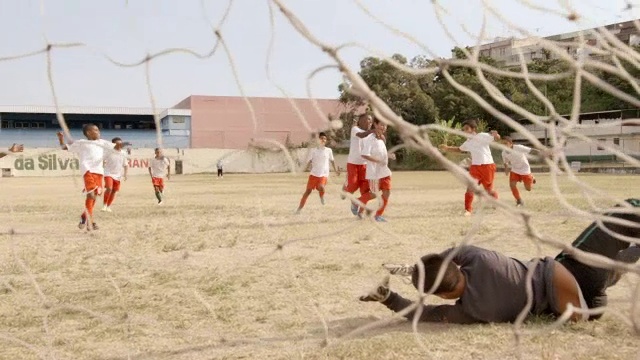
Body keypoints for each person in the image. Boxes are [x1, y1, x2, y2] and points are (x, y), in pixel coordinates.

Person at [360, 198, 640, 324]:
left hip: (587, 309)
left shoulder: (470, 313)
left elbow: (426, 314)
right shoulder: (479, 259)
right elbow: (456, 249)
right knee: (626, 212)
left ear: (443, 296)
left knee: (614, 266)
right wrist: (425, 266)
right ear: (455, 266)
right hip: (572, 272)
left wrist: (390, 299)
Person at [57, 125, 115, 230]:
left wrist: (122, 144)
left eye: (98, 130)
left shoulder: (102, 142)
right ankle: (90, 221)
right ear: (88, 132)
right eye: (96, 130)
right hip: (87, 170)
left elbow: (115, 147)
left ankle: (84, 217)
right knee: (91, 196)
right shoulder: (81, 143)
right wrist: (61, 138)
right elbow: (64, 147)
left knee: (94, 197)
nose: (98, 132)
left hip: (99, 172)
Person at [439, 119, 501, 216]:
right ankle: (468, 210)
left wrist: (496, 135)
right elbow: (459, 149)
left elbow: (496, 138)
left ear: (473, 129)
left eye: (466, 128)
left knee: (489, 190)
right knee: (470, 188)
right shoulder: (468, 142)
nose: (464, 131)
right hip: (475, 167)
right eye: (463, 129)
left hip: (487, 166)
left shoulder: (482, 136)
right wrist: (447, 148)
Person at [359, 118, 395, 222]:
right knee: (374, 194)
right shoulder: (370, 138)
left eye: (385, 125)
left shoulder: (382, 138)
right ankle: (357, 201)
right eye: (381, 125)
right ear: (375, 124)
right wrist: (377, 160)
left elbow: (381, 153)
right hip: (374, 172)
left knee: (387, 192)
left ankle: (378, 215)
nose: (383, 127)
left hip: (384, 170)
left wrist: (389, 155)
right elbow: (365, 154)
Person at [296, 132, 340, 214]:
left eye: (324, 138)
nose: (323, 140)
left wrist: (335, 170)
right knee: (307, 192)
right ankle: (299, 209)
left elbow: (332, 161)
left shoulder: (328, 150)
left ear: (326, 140)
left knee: (321, 187)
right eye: (321, 138)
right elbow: (309, 161)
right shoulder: (314, 151)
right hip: (313, 174)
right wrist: (304, 168)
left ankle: (321, 196)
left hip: (323, 174)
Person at [342, 114, 374, 215]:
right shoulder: (355, 129)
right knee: (353, 186)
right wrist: (374, 130)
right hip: (353, 163)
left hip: (365, 165)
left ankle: (358, 207)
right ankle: (346, 187)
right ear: (360, 121)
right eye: (366, 120)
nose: (369, 122)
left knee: (365, 190)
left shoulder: (371, 135)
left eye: (370, 120)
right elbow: (362, 135)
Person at [501, 136, 537, 207]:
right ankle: (519, 201)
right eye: (503, 144)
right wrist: (506, 169)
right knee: (512, 185)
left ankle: (532, 178)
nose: (504, 145)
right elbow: (506, 162)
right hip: (515, 170)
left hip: (525, 169)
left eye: (506, 143)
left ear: (511, 143)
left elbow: (531, 150)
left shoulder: (518, 147)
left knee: (528, 189)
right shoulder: (504, 153)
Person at [102, 137, 128, 212]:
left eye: (121, 143)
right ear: (113, 144)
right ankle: (104, 205)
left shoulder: (123, 153)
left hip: (118, 175)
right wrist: (102, 165)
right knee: (109, 188)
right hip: (108, 173)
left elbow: (125, 164)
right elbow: (102, 159)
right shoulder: (109, 151)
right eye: (118, 143)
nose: (120, 145)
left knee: (113, 191)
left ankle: (108, 206)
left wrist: (125, 174)